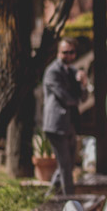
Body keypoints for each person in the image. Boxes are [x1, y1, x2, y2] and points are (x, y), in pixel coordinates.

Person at [42, 38, 88, 195]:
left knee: (67, 164)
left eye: (71, 52)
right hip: (56, 124)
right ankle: (70, 201)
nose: (68, 55)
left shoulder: (74, 72)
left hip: (70, 124)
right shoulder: (52, 71)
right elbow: (65, 97)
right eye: (64, 52)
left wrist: (83, 84)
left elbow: (83, 98)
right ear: (58, 53)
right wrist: (76, 98)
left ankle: (49, 196)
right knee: (66, 165)